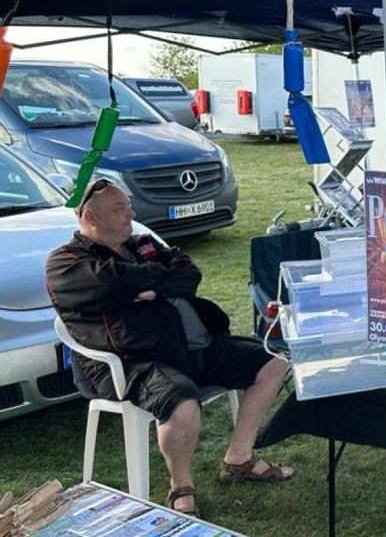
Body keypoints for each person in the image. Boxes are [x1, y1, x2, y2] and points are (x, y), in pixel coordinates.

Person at [45, 180, 294, 516]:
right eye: (120, 208)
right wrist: (155, 279)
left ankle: (238, 458)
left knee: (274, 363)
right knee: (182, 404)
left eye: (129, 205)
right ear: (90, 216)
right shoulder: (65, 263)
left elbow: (189, 274)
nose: (131, 214)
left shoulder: (143, 244)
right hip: (133, 363)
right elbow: (110, 281)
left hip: (191, 347)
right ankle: (181, 486)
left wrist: (147, 287)